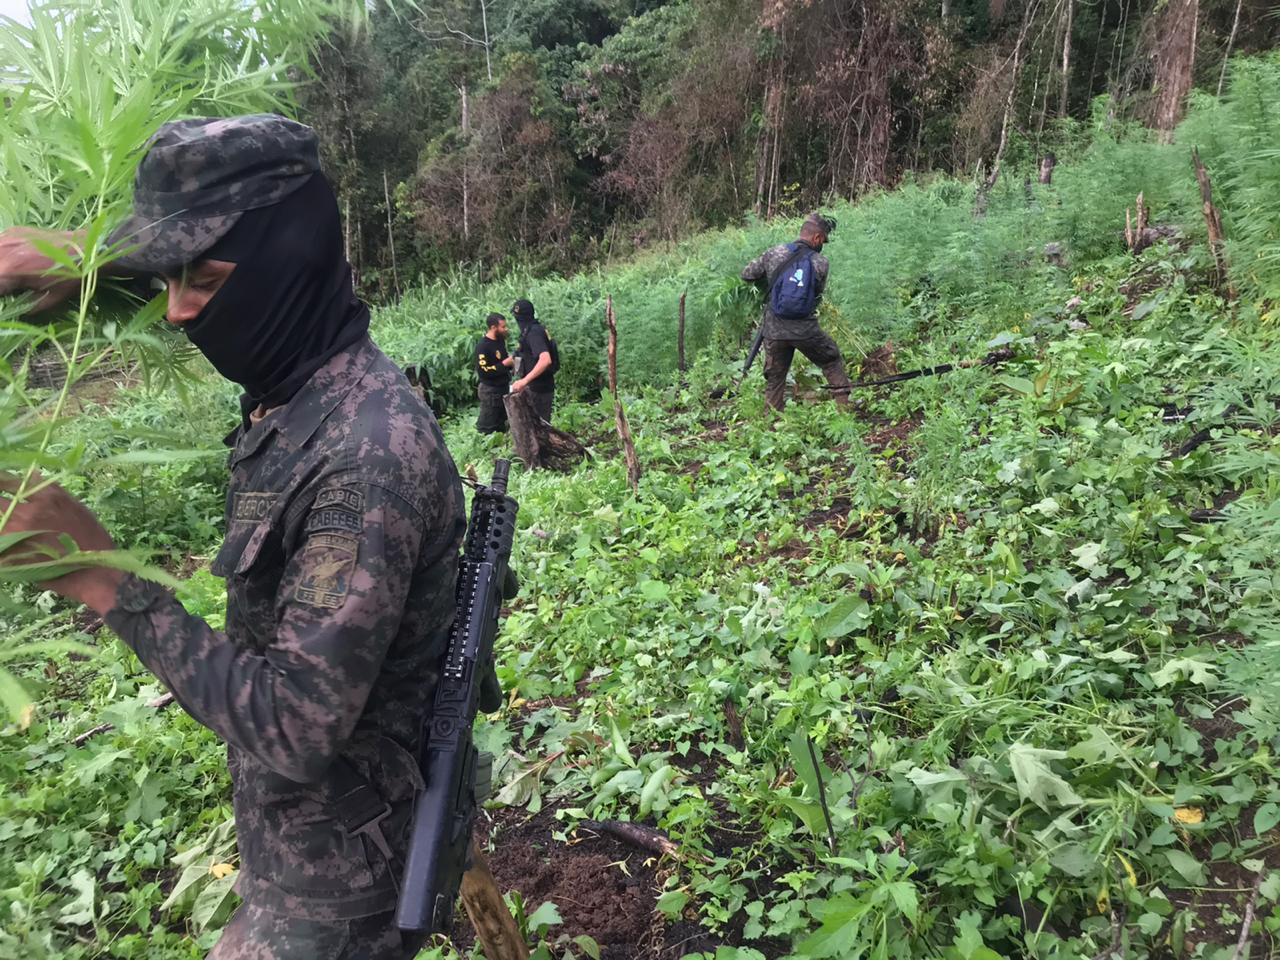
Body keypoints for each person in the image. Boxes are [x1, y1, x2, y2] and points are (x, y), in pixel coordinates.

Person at [0, 115, 465, 959]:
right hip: (295, 840)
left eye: (201, 282)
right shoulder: (303, 368)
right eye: (164, 278)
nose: (175, 312)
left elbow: (295, 726)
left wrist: (101, 574)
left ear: (284, 270)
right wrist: (86, 257)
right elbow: (217, 263)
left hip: (339, 879)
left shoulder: (363, 463)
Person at [741, 213, 852, 411]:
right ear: (817, 238)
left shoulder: (774, 253)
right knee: (831, 360)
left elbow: (747, 274)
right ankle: (844, 410)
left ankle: (771, 421)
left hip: (774, 330)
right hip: (805, 330)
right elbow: (816, 295)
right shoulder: (821, 262)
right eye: (823, 240)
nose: (823, 244)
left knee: (775, 378)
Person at [508, 298, 556, 423]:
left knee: (539, 428)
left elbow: (545, 360)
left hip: (539, 390)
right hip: (533, 388)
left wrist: (524, 381)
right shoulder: (528, 331)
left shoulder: (534, 332)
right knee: (531, 427)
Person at [474, 312, 513, 434]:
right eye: (503, 327)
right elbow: (483, 371)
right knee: (487, 426)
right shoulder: (483, 346)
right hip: (490, 391)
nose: (506, 329)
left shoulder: (500, 341)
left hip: (503, 387)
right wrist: (504, 364)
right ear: (493, 327)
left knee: (503, 424)